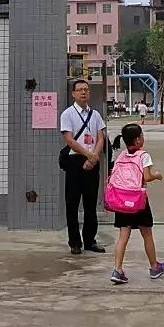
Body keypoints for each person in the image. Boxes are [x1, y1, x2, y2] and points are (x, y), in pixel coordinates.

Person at [109, 123, 164, 284]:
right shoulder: (143, 155)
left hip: (122, 200)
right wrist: (157, 175)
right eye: (142, 135)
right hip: (138, 200)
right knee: (147, 233)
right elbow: (147, 177)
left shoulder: (121, 156)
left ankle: (117, 269)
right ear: (137, 140)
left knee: (123, 236)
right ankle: (154, 266)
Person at [60, 79, 107, 255]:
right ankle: (74, 242)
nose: (83, 92)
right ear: (73, 93)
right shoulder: (67, 114)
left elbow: (100, 137)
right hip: (75, 161)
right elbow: (69, 140)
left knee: (90, 203)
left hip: (93, 160)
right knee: (72, 203)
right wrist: (88, 155)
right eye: (79, 90)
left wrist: (94, 157)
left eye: (86, 89)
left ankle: (89, 240)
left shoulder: (95, 115)